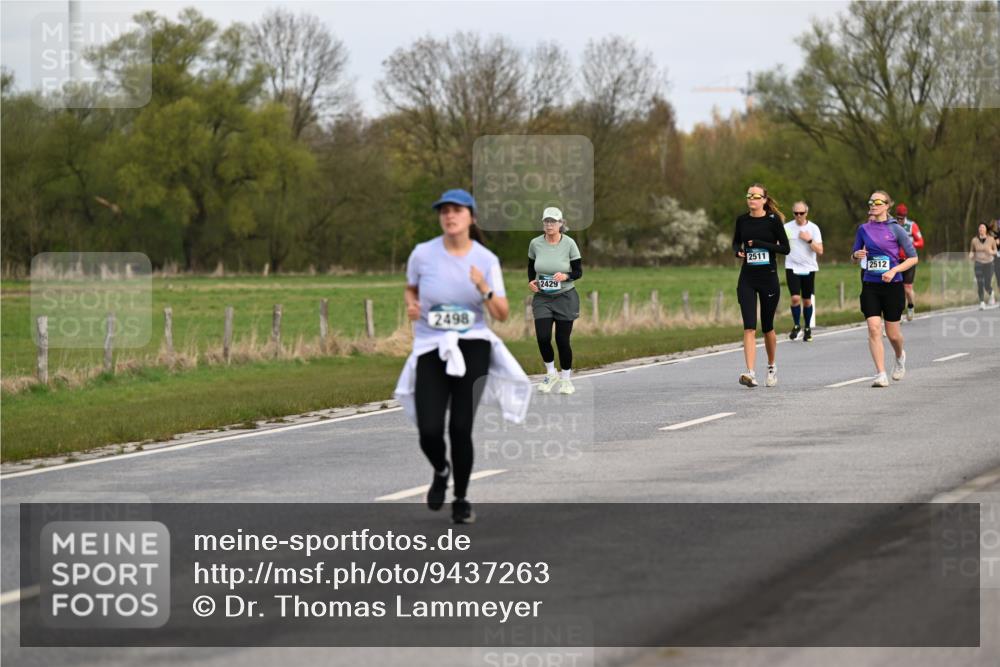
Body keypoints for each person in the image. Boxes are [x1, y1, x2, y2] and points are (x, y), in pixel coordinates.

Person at [394, 188, 531, 524]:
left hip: (473, 345)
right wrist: (411, 304)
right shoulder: (422, 254)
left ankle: (461, 498)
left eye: (456, 210)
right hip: (431, 346)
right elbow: (411, 287)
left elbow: (500, 313)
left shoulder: (485, 260)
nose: (449, 216)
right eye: (444, 211)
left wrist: (483, 287)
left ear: (470, 216)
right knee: (428, 429)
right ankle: (441, 470)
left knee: (459, 426)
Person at [851, 191, 918, 387]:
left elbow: (913, 258)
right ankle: (880, 373)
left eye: (878, 202)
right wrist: (856, 255)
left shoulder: (897, 230)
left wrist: (894, 270)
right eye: (870, 201)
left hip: (893, 285)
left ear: (887, 205)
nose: (873, 204)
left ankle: (899, 356)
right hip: (870, 284)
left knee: (893, 334)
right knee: (873, 328)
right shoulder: (863, 229)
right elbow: (853, 258)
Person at [732, 183, 790, 387]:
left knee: (767, 327)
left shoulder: (773, 221)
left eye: (756, 196)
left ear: (764, 200)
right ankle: (750, 372)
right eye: (749, 196)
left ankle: (771, 366)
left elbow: (785, 248)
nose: (752, 199)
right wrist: (738, 251)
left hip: (768, 278)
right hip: (747, 278)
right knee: (749, 326)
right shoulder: (742, 220)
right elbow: (736, 243)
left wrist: (760, 244)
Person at [528, 207, 583, 394]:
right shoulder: (535, 244)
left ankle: (566, 379)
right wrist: (531, 282)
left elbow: (578, 272)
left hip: (565, 297)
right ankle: (551, 373)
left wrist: (566, 276)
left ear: (561, 224)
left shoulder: (569, 244)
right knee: (543, 338)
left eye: (553, 221)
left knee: (562, 340)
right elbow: (531, 267)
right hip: (542, 297)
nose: (549, 225)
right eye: (546, 221)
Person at [783, 201, 824, 342]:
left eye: (802, 213)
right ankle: (796, 325)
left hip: (809, 268)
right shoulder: (787, 227)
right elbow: (779, 244)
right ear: (793, 213)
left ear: (806, 213)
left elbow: (820, 250)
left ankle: (807, 327)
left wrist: (809, 240)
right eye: (796, 213)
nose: (799, 216)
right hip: (792, 267)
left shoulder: (813, 228)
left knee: (807, 301)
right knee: (795, 298)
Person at [894, 204, 924, 321]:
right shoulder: (893, 225)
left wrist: (911, 244)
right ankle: (898, 313)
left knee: (907, 288)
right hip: (896, 260)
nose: (900, 220)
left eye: (902, 218)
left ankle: (911, 306)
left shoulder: (912, 226)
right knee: (897, 288)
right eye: (898, 218)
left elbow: (921, 242)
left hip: (909, 260)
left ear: (905, 217)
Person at [969, 223, 998, 309]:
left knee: (987, 284)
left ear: (986, 230)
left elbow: (995, 251)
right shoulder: (974, 240)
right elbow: (972, 251)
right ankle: (982, 302)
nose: (981, 229)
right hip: (978, 263)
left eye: (983, 227)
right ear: (978, 230)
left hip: (989, 263)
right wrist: (971, 255)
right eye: (980, 227)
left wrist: (991, 252)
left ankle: (991, 293)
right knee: (980, 282)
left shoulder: (991, 239)